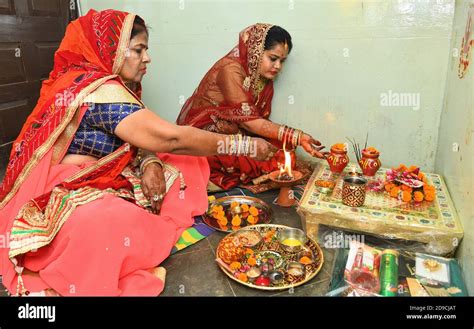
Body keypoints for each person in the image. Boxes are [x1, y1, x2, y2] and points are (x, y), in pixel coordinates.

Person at [0, 9, 275, 296]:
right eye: (138, 50)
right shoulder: (98, 90)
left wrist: (150, 163)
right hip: (69, 188)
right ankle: (135, 235)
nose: (147, 58)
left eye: (146, 50)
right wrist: (244, 146)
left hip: (109, 173)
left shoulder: (111, 85)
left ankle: (143, 223)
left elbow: (141, 137)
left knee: (189, 161)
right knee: (102, 222)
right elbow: (170, 137)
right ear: (113, 51)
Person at [177, 24, 328, 190]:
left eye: (282, 61)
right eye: (273, 58)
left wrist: (290, 139)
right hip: (211, 137)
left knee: (284, 149)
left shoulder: (262, 79)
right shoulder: (230, 69)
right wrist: (298, 136)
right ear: (255, 50)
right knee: (257, 156)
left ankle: (260, 171)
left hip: (240, 133)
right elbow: (251, 123)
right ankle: (218, 176)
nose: (278, 66)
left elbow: (258, 122)